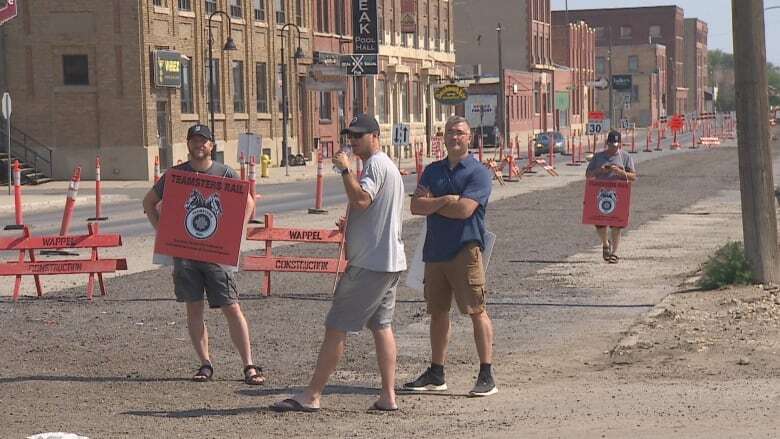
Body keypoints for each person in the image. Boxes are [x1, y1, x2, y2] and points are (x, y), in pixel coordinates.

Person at [272, 114, 406, 412]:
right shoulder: (388, 167)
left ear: (375, 137)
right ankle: (388, 396)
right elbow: (372, 210)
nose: (353, 141)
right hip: (389, 261)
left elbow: (361, 200)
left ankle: (312, 395)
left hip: (370, 264)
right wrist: (354, 222)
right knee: (382, 326)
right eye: (351, 136)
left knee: (336, 327)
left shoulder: (375, 165)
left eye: (359, 136)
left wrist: (345, 171)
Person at [141, 123, 264, 385]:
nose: (200, 145)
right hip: (185, 257)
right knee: (194, 309)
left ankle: (249, 365)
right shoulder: (175, 175)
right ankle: (205, 364)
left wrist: (234, 236)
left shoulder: (225, 173)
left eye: (204, 141)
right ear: (188, 144)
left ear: (212, 145)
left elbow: (249, 203)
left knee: (232, 307)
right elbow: (148, 202)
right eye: (195, 140)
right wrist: (163, 232)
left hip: (217, 255)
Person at [405, 115, 497, 397]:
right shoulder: (432, 171)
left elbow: (465, 210)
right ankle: (436, 372)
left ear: (469, 138)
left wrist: (434, 204)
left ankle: (486, 374)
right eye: (449, 133)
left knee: (476, 311)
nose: (454, 137)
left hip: (465, 250)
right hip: (434, 251)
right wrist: (445, 200)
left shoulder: (478, 173)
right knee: (437, 313)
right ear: (442, 138)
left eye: (459, 133)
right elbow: (416, 207)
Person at [585, 130, 638, 264]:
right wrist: (601, 170)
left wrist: (619, 171)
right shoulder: (598, 157)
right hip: (600, 193)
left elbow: (633, 177)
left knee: (617, 224)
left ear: (620, 144)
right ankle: (605, 244)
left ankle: (614, 252)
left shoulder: (625, 157)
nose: (613, 148)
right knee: (599, 223)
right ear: (606, 143)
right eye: (611, 145)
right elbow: (588, 175)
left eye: (616, 145)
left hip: (618, 194)